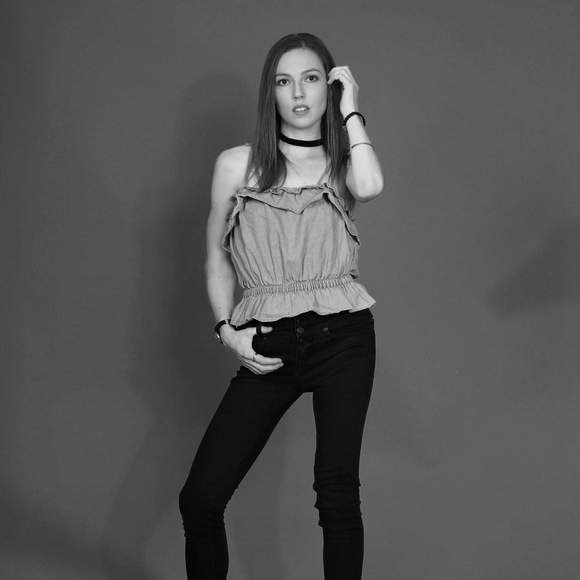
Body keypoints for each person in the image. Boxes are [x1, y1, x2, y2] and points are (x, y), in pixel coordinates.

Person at [178, 32, 384, 580]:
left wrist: (352, 108)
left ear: (328, 88)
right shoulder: (237, 165)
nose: (298, 93)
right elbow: (217, 260)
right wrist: (227, 330)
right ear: (269, 93)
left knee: (337, 494)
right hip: (268, 342)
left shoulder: (344, 163)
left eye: (311, 79)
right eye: (284, 81)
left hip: (343, 340)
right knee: (200, 499)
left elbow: (371, 185)